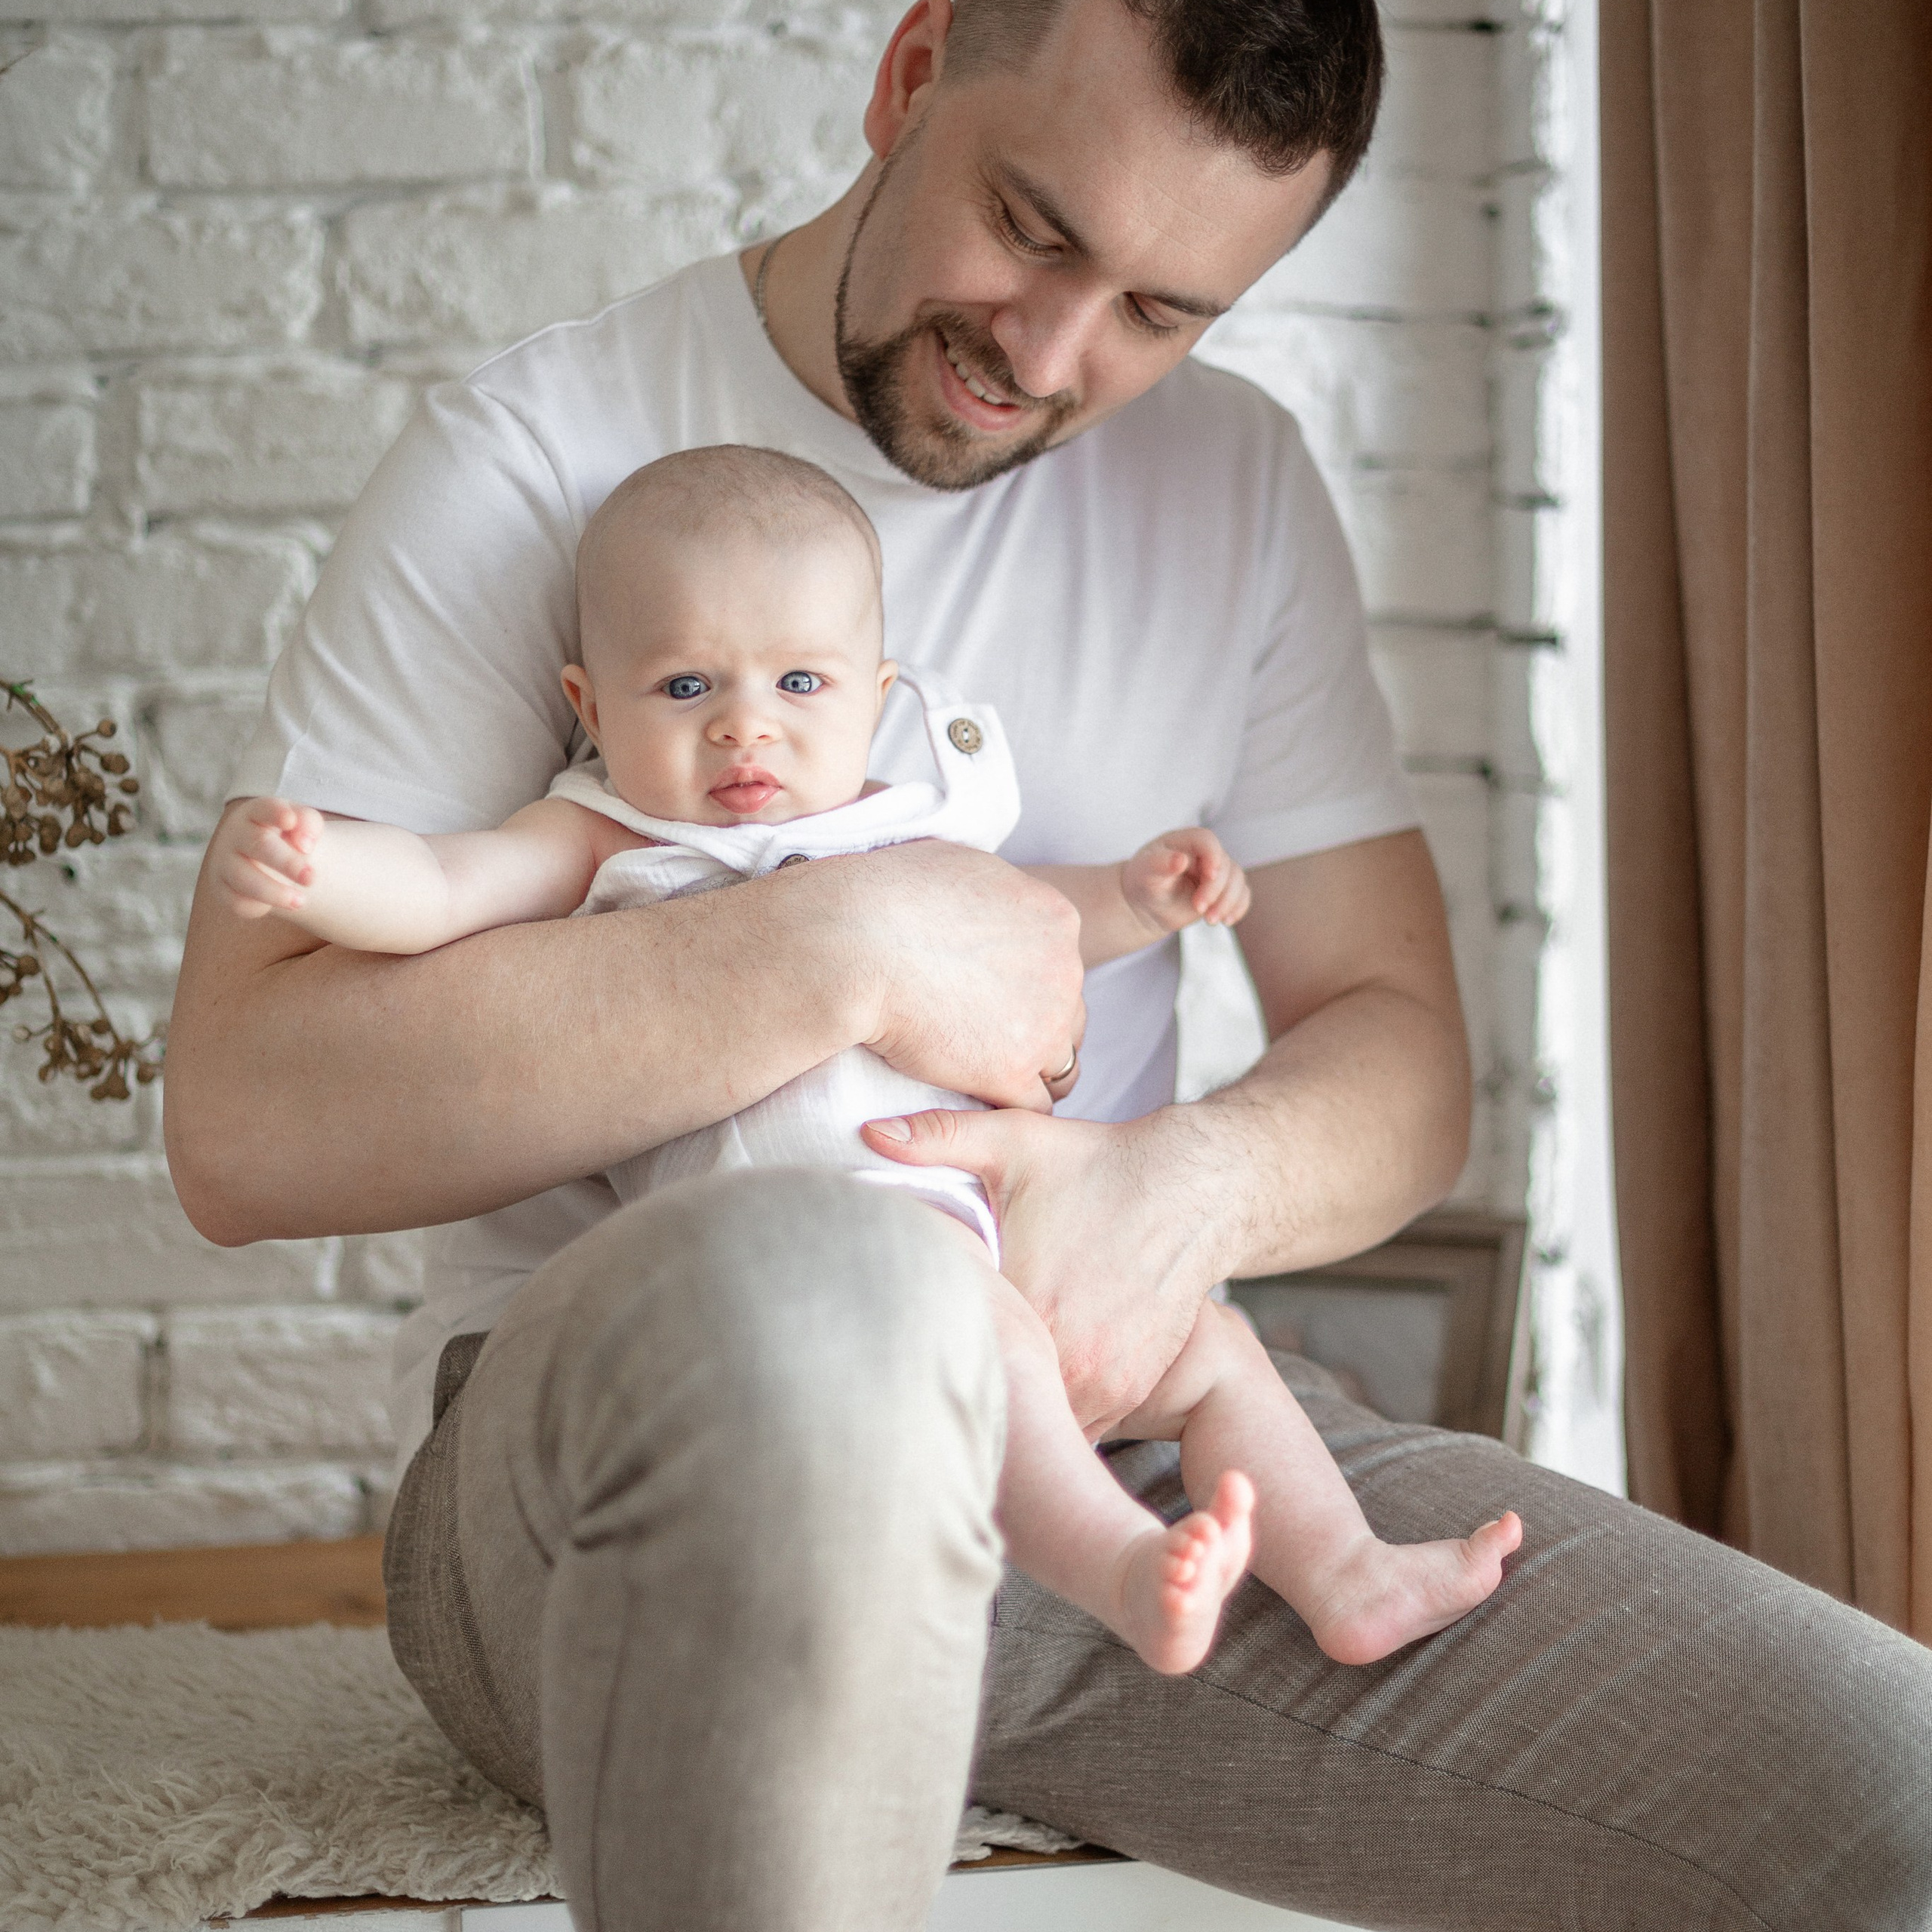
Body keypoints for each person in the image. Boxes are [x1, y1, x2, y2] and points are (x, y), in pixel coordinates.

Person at [164, 0, 1932, 1926]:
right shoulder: (538, 462)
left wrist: (1185, 1184)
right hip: (615, 1460)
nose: (1053, 356)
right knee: (825, 1312)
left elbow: (1402, 1052)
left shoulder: (1232, 488)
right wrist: (848, 934)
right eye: (1033, 228)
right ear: (911, 75)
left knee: (1880, 1793)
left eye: (1165, 313)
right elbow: (245, 1125)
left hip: (1119, 1440)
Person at [213, 443, 1524, 1676]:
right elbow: (445, 888)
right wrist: (323, 872)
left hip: (993, 1220)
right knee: (984, 1344)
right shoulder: (612, 841)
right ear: (588, 705)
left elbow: (1036, 923)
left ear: (876, 695)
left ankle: (1345, 1573)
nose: (746, 732)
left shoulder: (911, 820)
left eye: (799, 685)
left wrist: (1140, 895)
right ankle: (1122, 1568)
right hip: (798, 1265)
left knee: (1214, 1351)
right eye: (685, 688)